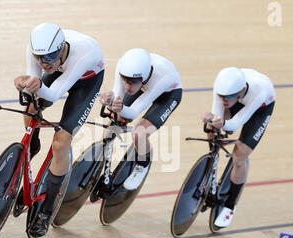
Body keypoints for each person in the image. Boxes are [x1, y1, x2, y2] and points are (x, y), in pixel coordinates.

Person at [13, 22, 105, 238]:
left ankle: (47, 209)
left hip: (86, 82)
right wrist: (26, 82)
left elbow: (53, 94)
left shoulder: (83, 54)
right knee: (30, 110)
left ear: (62, 48)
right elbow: (34, 81)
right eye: (40, 58)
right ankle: (32, 147)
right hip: (61, 74)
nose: (44, 63)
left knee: (60, 142)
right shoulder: (39, 52)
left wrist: (37, 83)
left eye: (51, 56)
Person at [99, 48, 183, 190]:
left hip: (168, 95)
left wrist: (119, 107)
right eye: (124, 80)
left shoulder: (163, 75)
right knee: (110, 127)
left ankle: (142, 165)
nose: (127, 86)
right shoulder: (124, 67)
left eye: (131, 82)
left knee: (139, 133)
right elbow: (117, 93)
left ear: (143, 78)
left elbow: (133, 112)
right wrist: (109, 99)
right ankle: (98, 167)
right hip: (143, 88)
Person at [201, 67, 275, 228]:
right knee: (212, 128)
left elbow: (233, 126)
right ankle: (211, 165)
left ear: (241, 91)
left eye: (228, 97)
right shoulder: (222, 87)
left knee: (239, 155)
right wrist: (211, 119)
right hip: (239, 101)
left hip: (259, 110)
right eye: (222, 97)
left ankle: (230, 205)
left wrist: (224, 123)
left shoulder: (259, 91)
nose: (224, 100)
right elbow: (217, 115)